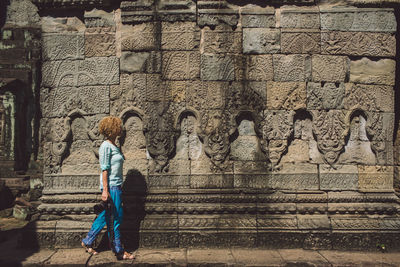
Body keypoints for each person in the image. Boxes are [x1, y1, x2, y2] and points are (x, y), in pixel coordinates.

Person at [81, 116, 134, 260]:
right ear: (112, 129)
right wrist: (105, 190)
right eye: (118, 126)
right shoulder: (105, 146)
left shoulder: (113, 145)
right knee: (116, 218)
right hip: (111, 187)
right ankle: (119, 251)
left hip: (116, 185)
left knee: (106, 216)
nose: (120, 129)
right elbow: (104, 169)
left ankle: (87, 241)